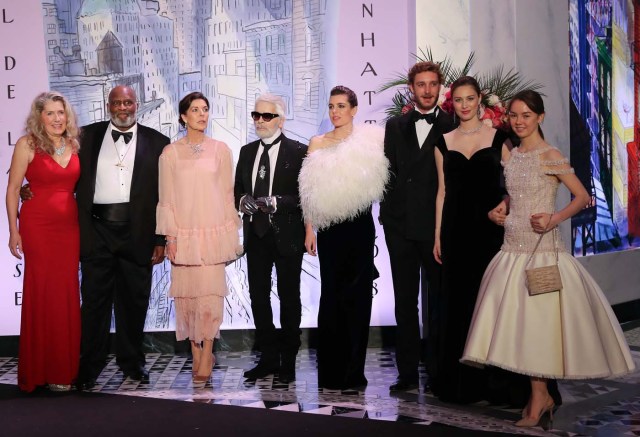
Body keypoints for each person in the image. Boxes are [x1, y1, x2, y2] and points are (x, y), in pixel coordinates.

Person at [462, 90, 635, 428]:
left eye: (526, 115)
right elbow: (518, 192)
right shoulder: (511, 154)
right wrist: (504, 207)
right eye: (513, 115)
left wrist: (554, 219)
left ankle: (540, 396)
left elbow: (582, 195)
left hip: (542, 253)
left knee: (538, 327)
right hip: (512, 248)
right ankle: (539, 394)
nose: (519, 122)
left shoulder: (549, 155)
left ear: (540, 117)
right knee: (521, 328)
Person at [74, 85, 169, 389]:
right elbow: (60, 170)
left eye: (128, 102)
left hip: (137, 233)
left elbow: (165, 196)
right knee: (93, 304)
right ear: (108, 105)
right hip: (96, 232)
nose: (123, 108)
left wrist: (160, 238)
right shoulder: (85, 136)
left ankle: (132, 363)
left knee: (133, 303)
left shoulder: (158, 142)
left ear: (136, 104)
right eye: (117, 103)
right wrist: (30, 188)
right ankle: (89, 366)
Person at [299, 85, 389, 390]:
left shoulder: (370, 142)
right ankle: (331, 373)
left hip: (360, 228)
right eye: (331, 106)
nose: (335, 112)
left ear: (353, 109)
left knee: (359, 299)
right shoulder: (318, 143)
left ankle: (353, 374)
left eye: (341, 106)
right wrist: (310, 229)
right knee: (332, 298)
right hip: (330, 232)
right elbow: (308, 192)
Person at [379, 61, 455, 391]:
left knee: (437, 302)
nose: (427, 90)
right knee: (405, 303)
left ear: (441, 88)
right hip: (400, 227)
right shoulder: (395, 125)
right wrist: (387, 216)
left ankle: (438, 373)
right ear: (412, 87)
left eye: (432, 84)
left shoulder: (454, 125)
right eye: (421, 84)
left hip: (436, 228)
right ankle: (407, 374)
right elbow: (388, 172)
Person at [157, 92, 241, 382]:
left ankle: (207, 353)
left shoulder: (221, 150)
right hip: (184, 235)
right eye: (195, 110)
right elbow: (166, 198)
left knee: (209, 298)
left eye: (205, 109)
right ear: (183, 116)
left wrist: (230, 235)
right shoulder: (170, 153)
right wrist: (170, 237)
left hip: (213, 233)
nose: (202, 114)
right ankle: (195, 351)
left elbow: (228, 196)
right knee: (188, 298)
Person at [6, 92, 81, 392]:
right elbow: (13, 189)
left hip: (69, 228)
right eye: (50, 113)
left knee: (65, 293)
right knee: (41, 291)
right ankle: (39, 370)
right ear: (39, 117)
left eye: (61, 112)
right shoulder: (27, 144)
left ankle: (63, 370)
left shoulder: (75, 145)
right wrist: (14, 230)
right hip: (37, 226)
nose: (57, 118)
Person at [234, 94, 308, 383]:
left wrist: (277, 201)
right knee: (258, 298)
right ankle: (267, 358)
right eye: (256, 115)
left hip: (287, 235)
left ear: (281, 119)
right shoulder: (246, 151)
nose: (260, 121)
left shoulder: (299, 152)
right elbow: (237, 188)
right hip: (257, 236)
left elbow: (304, 196)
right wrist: (241, 201)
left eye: (267, 116)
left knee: (290, 298)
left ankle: (287, 361)